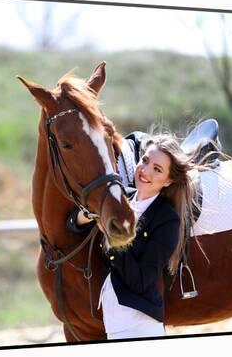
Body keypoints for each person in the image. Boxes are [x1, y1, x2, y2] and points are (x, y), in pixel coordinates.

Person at [66, 134, 197, 339]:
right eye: (145, 160)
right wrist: (88, 215)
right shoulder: (121, 198)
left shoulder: (167, 220)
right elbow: (72, 224)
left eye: (157, 169)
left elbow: (141, 281)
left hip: (139, 323)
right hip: (113, 318)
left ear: (168, 181)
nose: (145, 171)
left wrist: (113, 238)